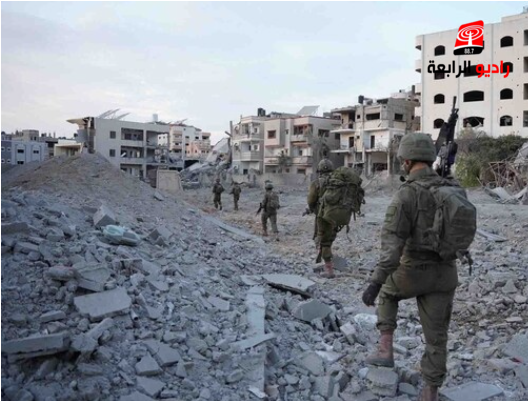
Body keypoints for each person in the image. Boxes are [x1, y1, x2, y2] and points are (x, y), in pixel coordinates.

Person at [361, 133, 467, 401]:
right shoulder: (453, 188)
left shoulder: (406, 195)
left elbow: (391, 250)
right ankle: (430, 391)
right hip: (445, 274)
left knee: (387, 292)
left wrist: (375, 283)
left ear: (406, 162)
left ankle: (385, 350)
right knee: (437, 337)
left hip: (412, 272)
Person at [307, 158, 337, 279]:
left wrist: (313, 210)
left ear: (319, 170)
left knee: (324, 241)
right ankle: (325, 262)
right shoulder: (338, 182)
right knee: (328, 239)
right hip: (337, 216)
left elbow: (310, 200)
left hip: (323, 216)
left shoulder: (316, 183)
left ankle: (329, 270)